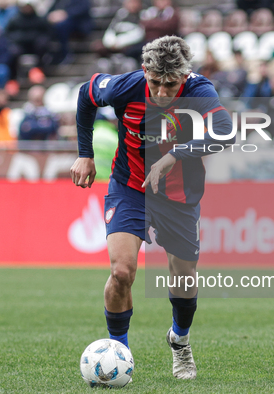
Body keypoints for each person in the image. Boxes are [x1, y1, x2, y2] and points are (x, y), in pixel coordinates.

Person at [70, 36, 233, 380]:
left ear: (185, 77)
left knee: (184, 277)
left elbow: (225, 132)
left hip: (179, 196)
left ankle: (180, 341)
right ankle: (119, 352)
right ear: (144, 71)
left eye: (171, 84)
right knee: (122, 272)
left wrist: (175, 155)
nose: (161, 91)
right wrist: (85, 153)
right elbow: (86, 95)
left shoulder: (199, 92)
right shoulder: (125, 88)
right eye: (155, 82)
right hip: (130, 187)